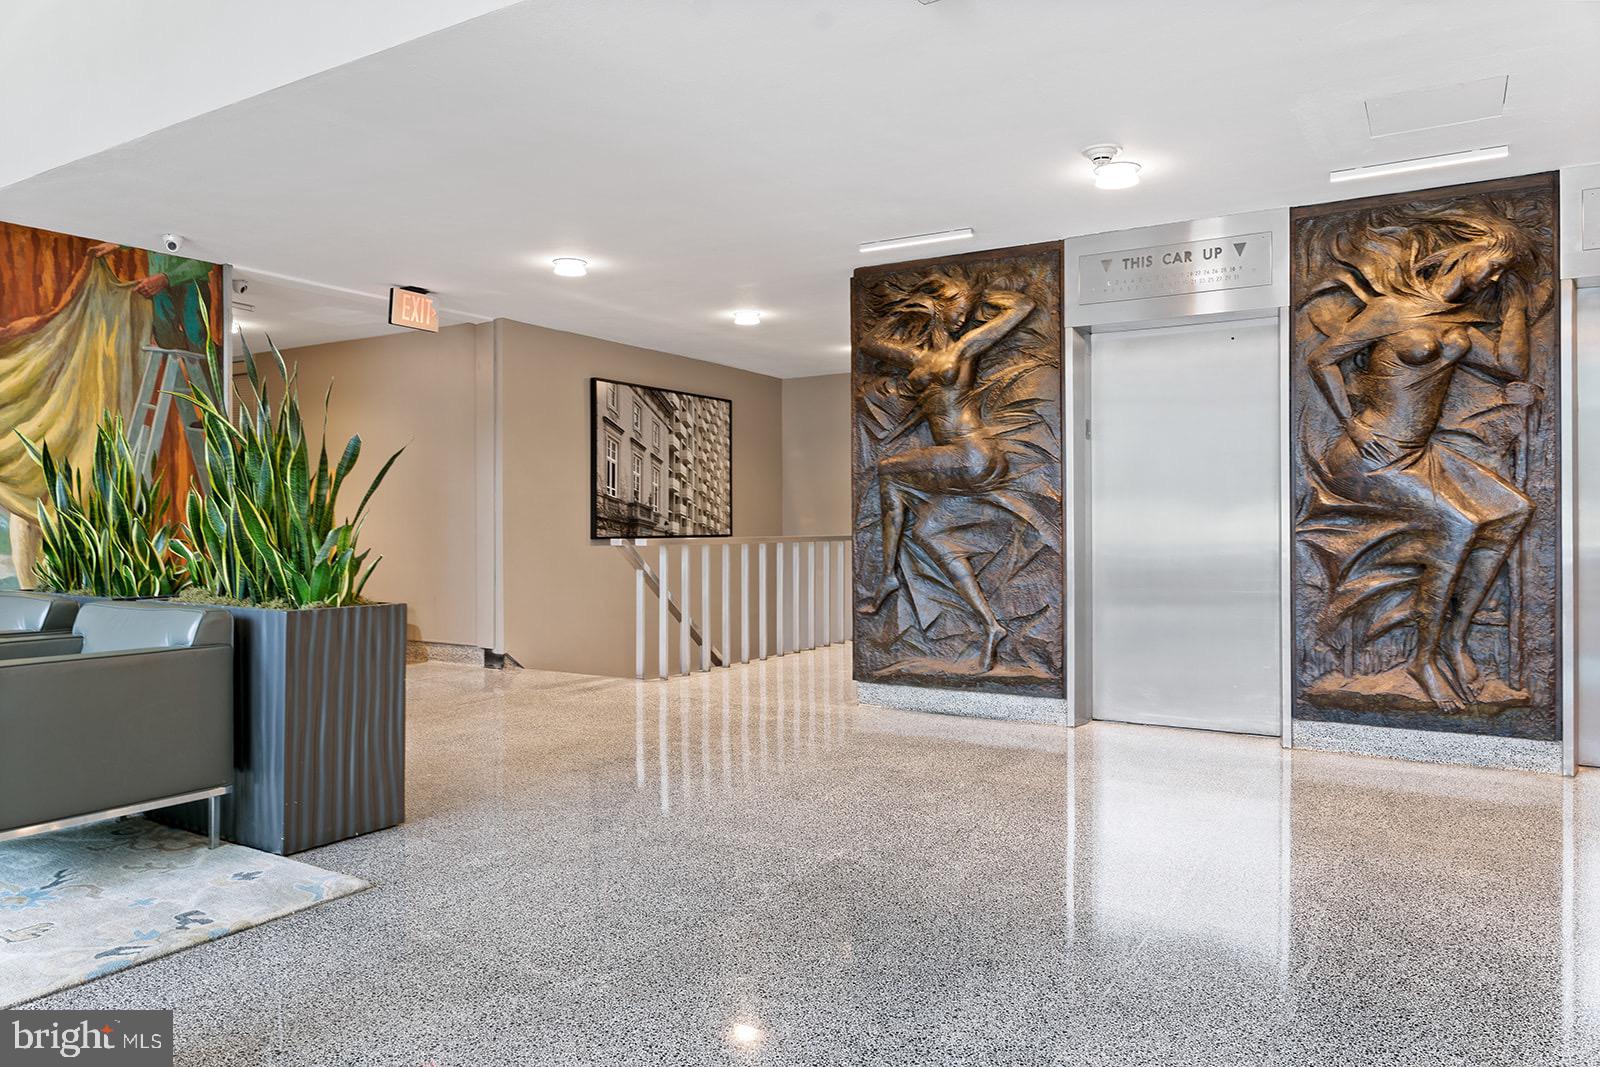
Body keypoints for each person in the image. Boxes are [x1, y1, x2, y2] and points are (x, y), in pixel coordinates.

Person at [1299, 206, 1542, 711]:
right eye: (1492, 266)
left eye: (1500, 273)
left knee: (1513, 510)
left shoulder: (1457, 321)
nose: (1492, 278)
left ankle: (1453, 640)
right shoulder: (1393, 309)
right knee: (1459, 525)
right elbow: (1321, 359)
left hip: (1420, 453)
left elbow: (1510, 364)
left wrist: (1514, 304)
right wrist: (1352, 421)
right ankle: (1421, 659)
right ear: (1466, 251)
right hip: (1371, 456)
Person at [857, 270, 1034, 672]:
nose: (961, 316)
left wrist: (984, 295)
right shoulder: (918, 358)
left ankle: (886, 577)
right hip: (955, 460)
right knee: (926, 532)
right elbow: (869, 341)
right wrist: (913, 303)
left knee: (887, 470)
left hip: (972, 453)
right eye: (956, 307)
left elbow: (1023, 306)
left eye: (966, 310)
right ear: (937, 306)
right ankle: (991, 626)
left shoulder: (965, 349)